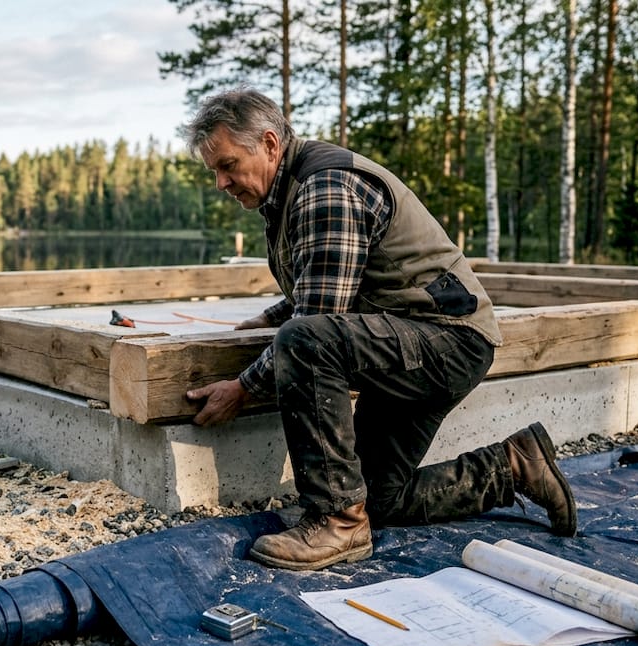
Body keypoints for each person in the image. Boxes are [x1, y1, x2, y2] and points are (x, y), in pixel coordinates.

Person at [180, 88, 577, 571]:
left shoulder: (323, 187)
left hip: (445, 340)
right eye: (214, 172)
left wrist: (242, 388)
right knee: (380, 497)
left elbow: (314, 322)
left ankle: (336, 524)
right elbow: (328, 272)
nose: (221, 182)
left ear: (268, 143)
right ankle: (513, 465)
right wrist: (263, 321)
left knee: (304, 342)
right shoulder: (293, 188)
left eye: (227, 165)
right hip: (413, 339)